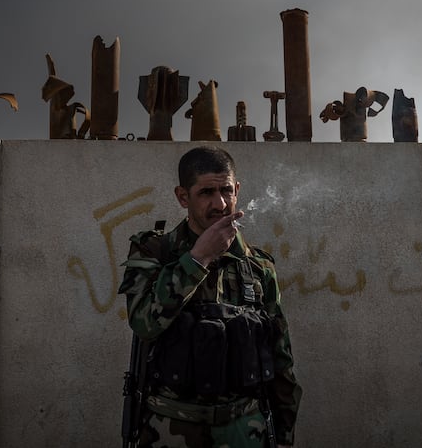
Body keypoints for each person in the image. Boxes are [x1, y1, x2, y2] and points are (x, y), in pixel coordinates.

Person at [119, 146, 302, 447]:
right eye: (206, 192)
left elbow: (280, 356)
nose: (220, 203)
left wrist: (284, 433)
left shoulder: (258, 266)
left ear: (237, 191)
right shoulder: (154, 252)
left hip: (245, 429)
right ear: (183, 196)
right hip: (171, 429)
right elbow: (144, 323)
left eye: (226, 190)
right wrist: (197, 258)